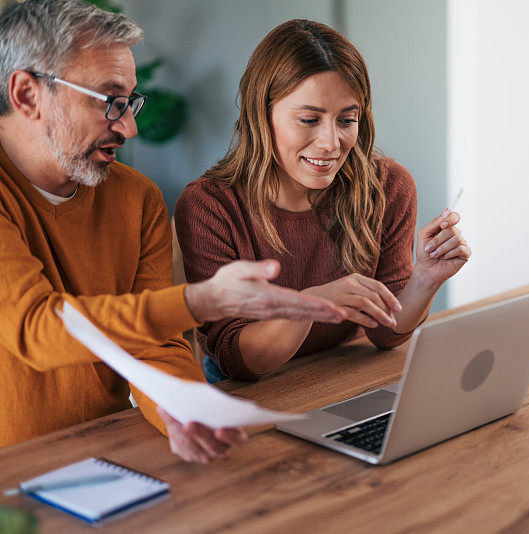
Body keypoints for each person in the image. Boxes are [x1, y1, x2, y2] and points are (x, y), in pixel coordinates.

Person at [0, 0, 344, 463]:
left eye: (130, 101)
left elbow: (159, 345)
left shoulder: (134, 197)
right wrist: (200, 301)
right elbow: (35, 328)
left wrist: (181, 410)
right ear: (26, 95)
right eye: (109, 101)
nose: (130, 126)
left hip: (109, 455)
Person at [175, 19, 471, 382]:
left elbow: (384, 332)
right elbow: (239, 359)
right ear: (261, 115)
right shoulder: (210, 207)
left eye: (347, 120)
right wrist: (312, 305)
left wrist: (425, 278)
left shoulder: (389, 186)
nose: (331, 142)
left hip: (342, 368)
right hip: (251, 386)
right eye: (308, 119)